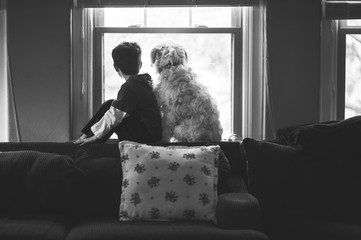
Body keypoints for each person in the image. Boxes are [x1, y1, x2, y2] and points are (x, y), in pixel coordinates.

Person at [73, 41, 162, 145]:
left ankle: (85, 143)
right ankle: (83, 137)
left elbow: (114, 116)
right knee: (110, 104)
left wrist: (94, 138)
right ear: (140, 64)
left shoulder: (130, 87)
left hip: (147, 139)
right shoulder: (143, 82)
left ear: (116, 68)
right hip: (151, 134)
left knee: (111, 111)